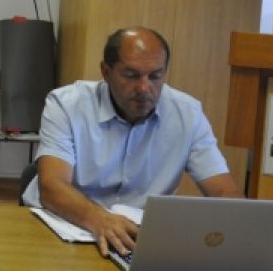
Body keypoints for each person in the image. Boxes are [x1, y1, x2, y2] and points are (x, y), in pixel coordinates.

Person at [22, 26, 242, 257]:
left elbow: (224, 192)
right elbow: (52, 186)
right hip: (66, 227)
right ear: (106, 72)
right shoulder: (67, 105)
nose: (144, 88)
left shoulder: (188, 114)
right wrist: (100, 220)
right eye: (131, 75)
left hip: (139, 239)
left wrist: (241, 227)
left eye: (155, 76)